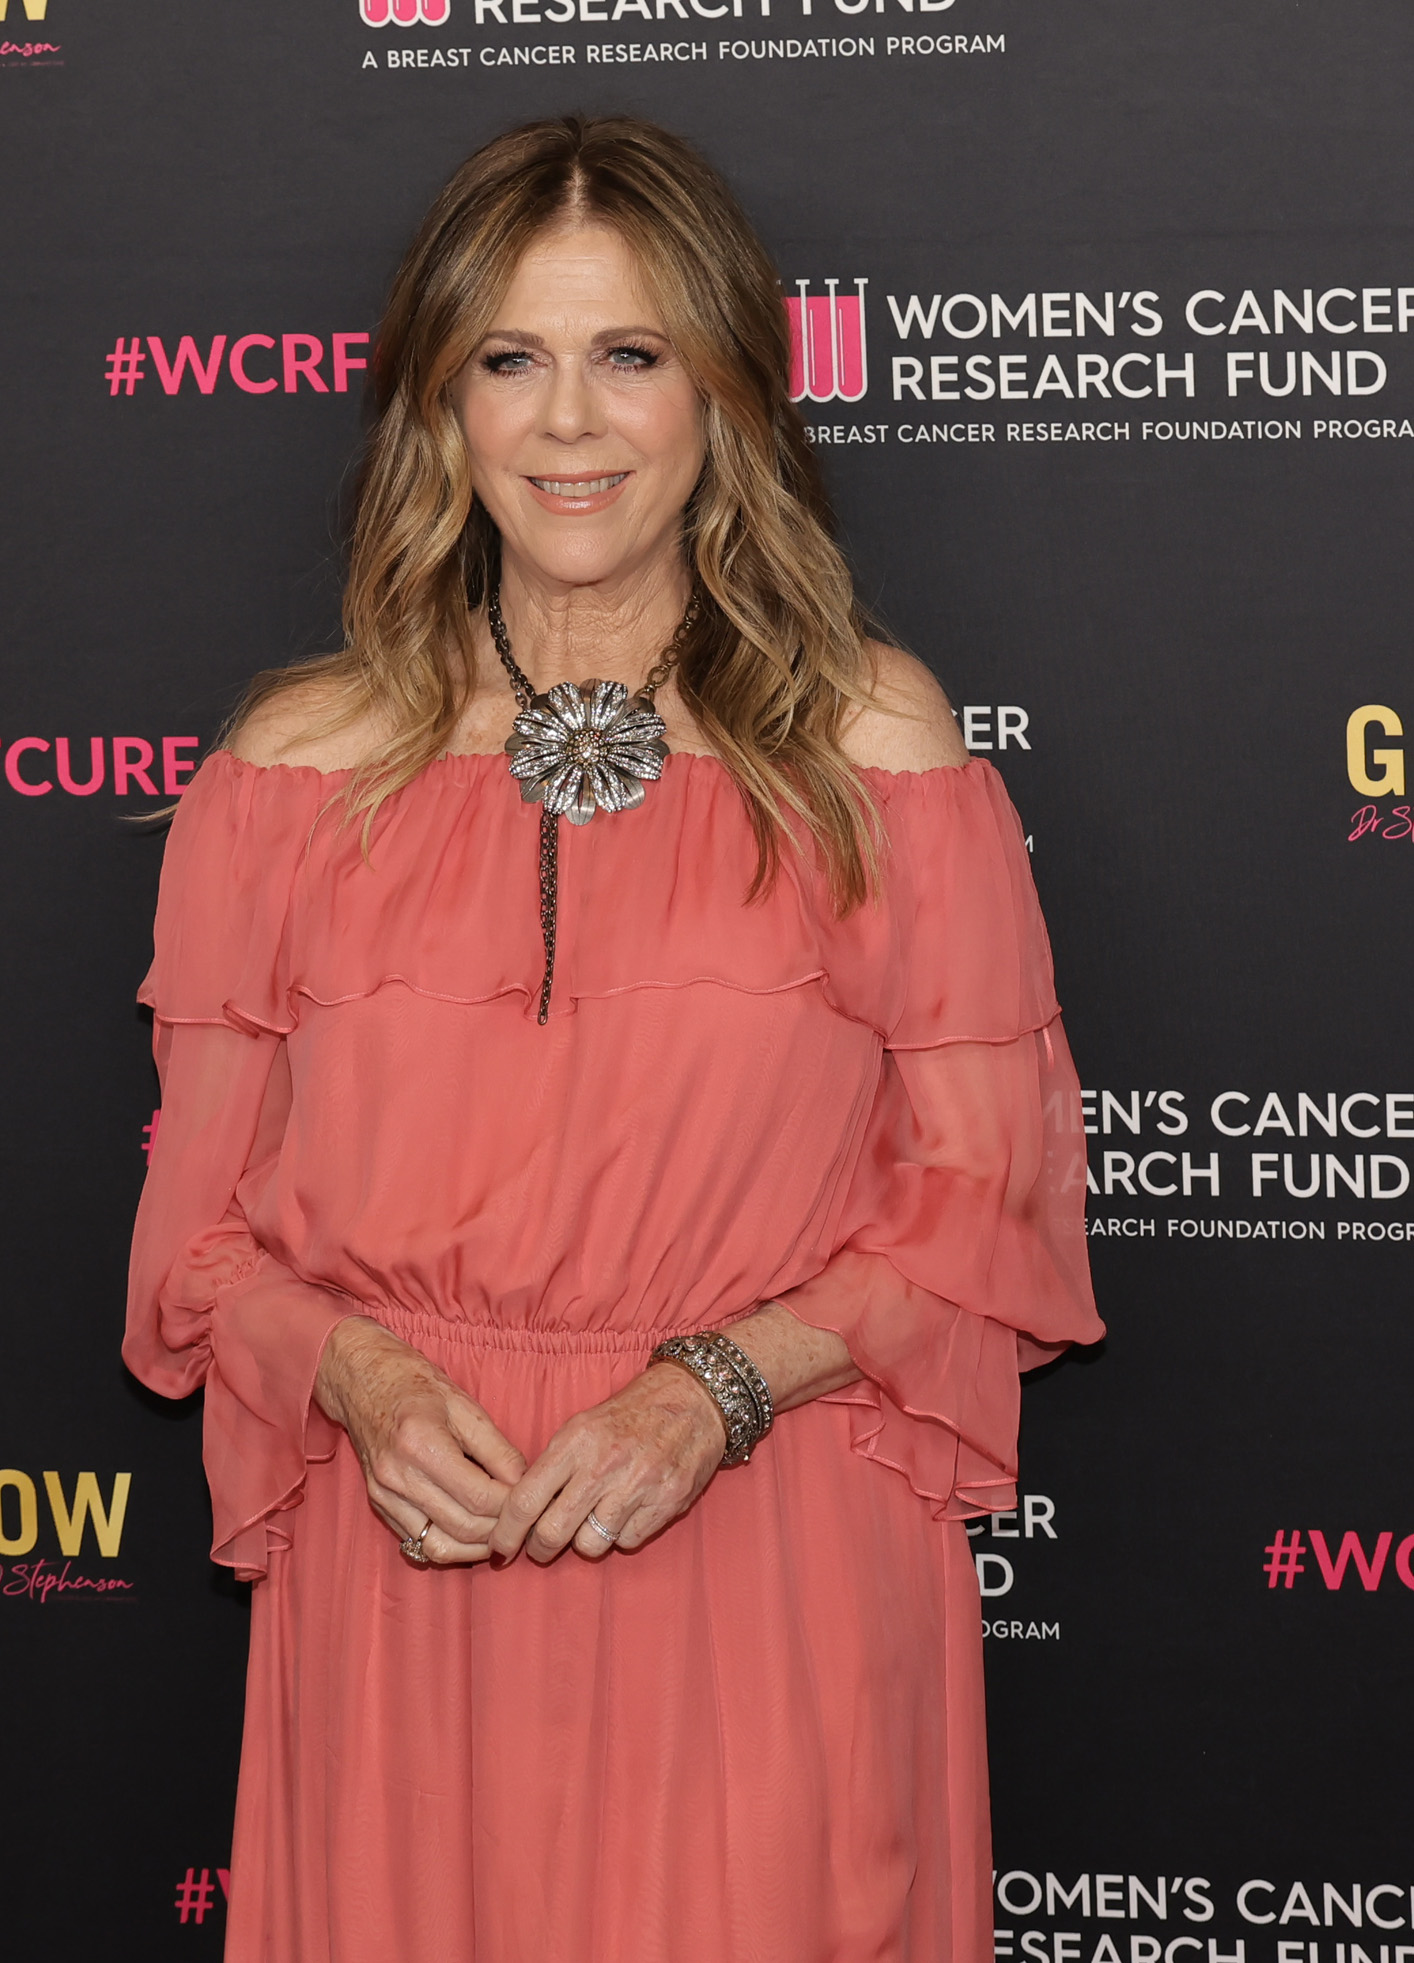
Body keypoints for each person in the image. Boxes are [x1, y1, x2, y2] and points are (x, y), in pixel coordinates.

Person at [124, 113, 1102, 1963]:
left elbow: (993, 1197)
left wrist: (713, 1387)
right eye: (512, 359)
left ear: (724, 395)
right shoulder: (284, 771)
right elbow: (196, 1248)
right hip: (415, 1563)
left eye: (629, 355)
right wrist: (360, 1381)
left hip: (761, 1557)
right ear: (440, 412)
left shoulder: (871, 748)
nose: (569, 421)